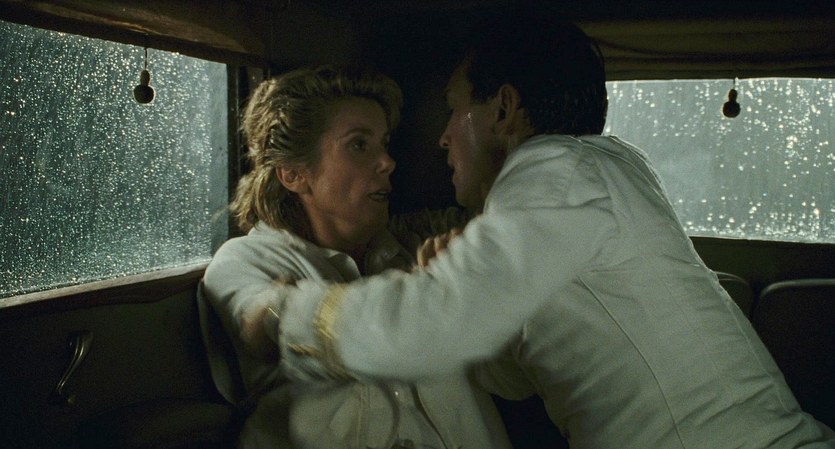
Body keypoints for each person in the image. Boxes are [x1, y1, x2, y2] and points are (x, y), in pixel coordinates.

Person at [259, 12, 835, 449]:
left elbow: (430, 329)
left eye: (454, 110)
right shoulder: (586, 182)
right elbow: (515, 378)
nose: (442, 137)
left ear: (503, 110)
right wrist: (457, 284)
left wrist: (292, 318)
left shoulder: (559, 164)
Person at [197, 65, 512, 449]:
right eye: (359, 145)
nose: (387, 162)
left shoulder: (412, 244)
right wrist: (418, 296)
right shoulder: (246, 262)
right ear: (293, 174)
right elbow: (264, 321)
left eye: (385, 143)